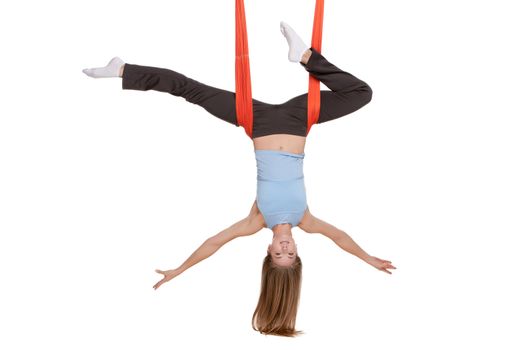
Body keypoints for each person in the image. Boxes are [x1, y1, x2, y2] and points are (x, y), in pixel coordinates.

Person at [83, 21, 396, 337]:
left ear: (269, 250)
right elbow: (341, 237)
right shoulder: (306, 219)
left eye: (278, 253)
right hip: (299, 119)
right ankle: (305, 56)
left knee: (191, 90)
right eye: (291, 253)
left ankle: (123, 70)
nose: (285, 247)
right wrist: (369, 259)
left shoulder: (256, 220)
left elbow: (214, 242)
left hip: (255, 120)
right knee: (362, 93)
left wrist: (180, 269)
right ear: (298, 251)